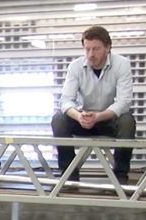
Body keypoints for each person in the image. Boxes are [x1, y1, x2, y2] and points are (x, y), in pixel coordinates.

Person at [52, 26, 136, 182]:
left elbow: (124, 102)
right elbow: (65, 100)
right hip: (83, 119)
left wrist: (99, 116)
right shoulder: (75, 66)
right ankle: (68, 174)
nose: (91, 54)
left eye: (96, 49)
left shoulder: (122, 64)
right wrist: (78, 116)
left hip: (109, 119)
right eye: (87, 49)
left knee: (127, 121)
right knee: (58, 119)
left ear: (108, 47)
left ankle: (120, 176)